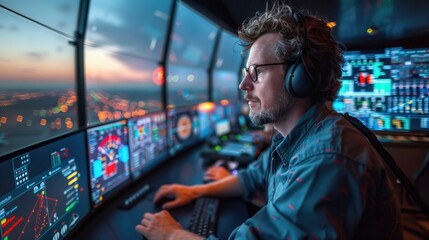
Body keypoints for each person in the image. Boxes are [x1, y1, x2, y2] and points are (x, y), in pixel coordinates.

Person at [135, 2, 403, 239]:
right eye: (245, 72)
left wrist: (173, 235)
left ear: (299, 77)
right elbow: (251, 178)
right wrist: (195, 191)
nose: (243, 85)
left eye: (256, 72)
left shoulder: (326, 157)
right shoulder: (295, 136)